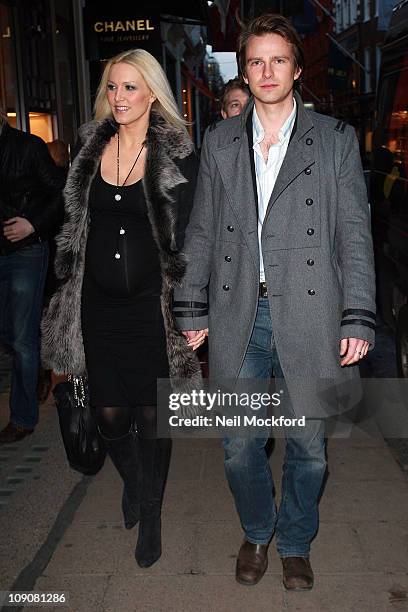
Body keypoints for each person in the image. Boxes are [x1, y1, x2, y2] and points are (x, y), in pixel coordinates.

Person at [173, 13, 376, 590]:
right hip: (241, 312)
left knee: (309, 448)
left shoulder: (333, 140)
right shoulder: (220, 141)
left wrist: (356, 313)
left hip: (311, 313)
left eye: (278, 60)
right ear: (245, 68)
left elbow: (353, 235)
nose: (266, 71)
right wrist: (192, 308)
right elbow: (204, 230)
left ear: (297, 69)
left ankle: (293, 542)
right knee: (239, 447)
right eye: (255, 61)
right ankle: (257, 531)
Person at [41, 48, 201, 568]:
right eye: (112, 87)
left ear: (152, 92)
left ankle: (150, 514)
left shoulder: (176, 155)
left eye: (130, 87)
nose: (119, 97)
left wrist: (194, 308)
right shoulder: (90, 146)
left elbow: (195, 237)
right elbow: (66, 216)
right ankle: (135, 482)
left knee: (152, 416)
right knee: (110, 417)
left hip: (150, 310)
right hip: (97, 307)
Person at [0, 111, 64, 443]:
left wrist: (33, 224)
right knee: (12, 335)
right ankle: (36, 365)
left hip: (27, 250)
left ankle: (22, 418)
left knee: (23, 339)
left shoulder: (28, 147)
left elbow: (61, 193)